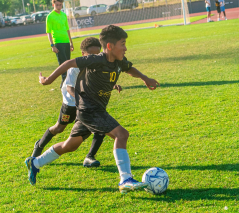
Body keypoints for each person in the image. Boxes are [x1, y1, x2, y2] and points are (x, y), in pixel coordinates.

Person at [25, 25, 160, 194]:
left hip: (92, 111)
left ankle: (35, 163)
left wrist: (145, 78)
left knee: (70, 145)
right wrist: (49, 80)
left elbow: (129, 68)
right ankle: (125, 179)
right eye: (123, 44)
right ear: (110, 46)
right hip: (89, 109)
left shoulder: (118, 62)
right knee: (122, 134)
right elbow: (69, 62)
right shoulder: (96, 60)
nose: (125, 48)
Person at [31, 37, 123, 167]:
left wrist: (113, 85)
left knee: (100, 126)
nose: (95, 57)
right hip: (71, 104)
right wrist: (82, 99)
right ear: (83, 54)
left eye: (97, 54)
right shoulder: (75, 67)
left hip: (87, 105)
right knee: (59, 128)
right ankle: (39, 146)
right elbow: (69, 87)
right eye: (91, 55)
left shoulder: (99, 65)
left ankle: (90, 157)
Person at [46, 0, 74, 87]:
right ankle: (64, 85)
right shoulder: (50, 16)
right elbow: (48, 32)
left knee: (68, 64)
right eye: (57, 5)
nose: (59, 6)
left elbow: (67, 29)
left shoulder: (64, 15)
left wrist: (71, 43)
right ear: (53, 4)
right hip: (58, 42)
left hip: (66, 42)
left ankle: (66, 84)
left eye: (60, 5)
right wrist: (52, 45)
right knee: (63, 65)